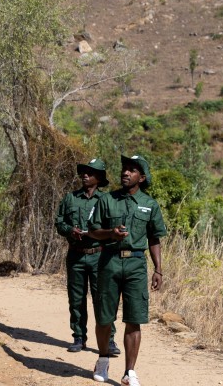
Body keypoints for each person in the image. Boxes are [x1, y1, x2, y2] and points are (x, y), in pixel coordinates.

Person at [87, 154, 167, 386]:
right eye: (124, 169)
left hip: (136, 265)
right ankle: (102, 359)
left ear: (141, 178)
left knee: (134, 319)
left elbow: (154, 239)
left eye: (132, 170)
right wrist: (111, 233)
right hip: (109, 261)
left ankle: (129, 372)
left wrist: (158, 270)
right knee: (104, 318)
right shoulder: (107, 200)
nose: (125, 173)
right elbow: (93, 231)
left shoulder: (150, 204)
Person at [53, 158, 119, 356]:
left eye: (90, 173)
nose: (85, 175)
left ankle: (110, 340)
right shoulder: (70, 198)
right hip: (76, 256)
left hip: (100, 256)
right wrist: (69, 230)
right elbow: (59, 222)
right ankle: (79, 337)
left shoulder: (107, 200)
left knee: (103, 299)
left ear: (98, 178)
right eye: (83, 172)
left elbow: (113, 226)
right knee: (76, 299)